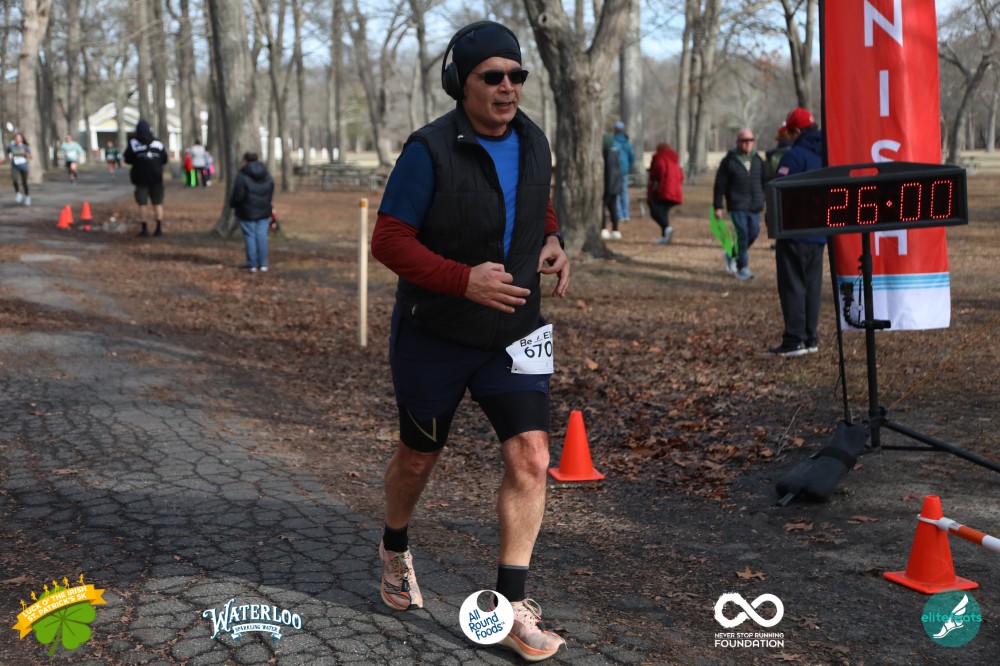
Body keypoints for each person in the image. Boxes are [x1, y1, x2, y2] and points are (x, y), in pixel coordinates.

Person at [370, 20, 569, 663]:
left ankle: (511, 608)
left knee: (532, 456)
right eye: (493, 77)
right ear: (461, 83)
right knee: (417, 459)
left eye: (517, 75)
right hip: (436, 332)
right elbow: (388, 241)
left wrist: (552, 239)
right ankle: (394, 546)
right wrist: (463, 280)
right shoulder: (427, 151)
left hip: (516, 329)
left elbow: (535, 199)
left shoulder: (534, 139)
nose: (508, 87)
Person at [769, 107, 826, 357]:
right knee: (812, 286)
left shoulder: (794, 157)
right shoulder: (826, 154)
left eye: (791, 133)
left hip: (794, 231)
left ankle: (794, 340)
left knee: (792, 286)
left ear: (797, 132)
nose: (790, 137)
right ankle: (811, 337)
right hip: (819, 232)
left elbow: (778, 191)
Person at [713, 129, 766, 280]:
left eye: (751, 140)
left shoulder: (758, 160)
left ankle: (732, 254)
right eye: (744, 140)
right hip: (737, 205)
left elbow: (765, 181)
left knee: (753, 233)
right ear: (738, 142)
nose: (748, 143)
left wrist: (766, 199)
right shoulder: (729, 161)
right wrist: (718, 206)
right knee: (742, 233)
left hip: (755, 205)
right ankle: (742, 268)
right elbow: (719, 185)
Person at [123, 119, 168, 237]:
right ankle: (159, 228)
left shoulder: (134, 143)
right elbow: (165, 159)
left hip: (140, 179)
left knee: (142, 203)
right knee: (157, 203)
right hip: (156, 178)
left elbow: (127, 159)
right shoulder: (158, 143)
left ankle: (144, 229)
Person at [230, 151, 274, 273]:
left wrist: (233, 204)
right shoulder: (266, 174)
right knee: (262, 236)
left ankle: (252, 264)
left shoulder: (242, 175)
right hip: (263, 209)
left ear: (245, 161)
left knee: (250, 236)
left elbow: (238, 194)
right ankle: (263, 263)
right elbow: (271, 188)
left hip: (247, 210)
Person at [647, 143, 683, 244]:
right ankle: (665, 236)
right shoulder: (674, 160)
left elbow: (658, 172)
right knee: (663, 212)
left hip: (665, 190)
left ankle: (667, 229)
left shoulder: (660, 158)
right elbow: (681, 176)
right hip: (675, 191)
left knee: (656, 211)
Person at [611, 120, 635, 221]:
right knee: (624, 192)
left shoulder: (612, 141)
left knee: (616, 193)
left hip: (614, 171)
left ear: (615, 130)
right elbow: (632, 157)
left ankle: (619, 215)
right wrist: (628, 166)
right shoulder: (627, 142)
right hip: (624, 170)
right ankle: (626, 214)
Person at [600, 134, 623, 239]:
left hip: (608, 186)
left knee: (603, 207)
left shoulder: (607, 155)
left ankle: (603, 228)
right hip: (615, 185)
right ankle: (615, 229)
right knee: (613, 207)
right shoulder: (616, 153)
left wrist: (607, 188)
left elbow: (609, 173)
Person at [6, 133, 32, 206]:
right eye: (17, 138)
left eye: (19, 138)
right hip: (15, 166)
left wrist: (25, 153)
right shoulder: (11, 146)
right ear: (15, 139)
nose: (18, 139)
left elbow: (30, 156)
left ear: (22, 139)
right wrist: (9, 157)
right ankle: (18, 193)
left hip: (23, 166)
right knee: (14, 180)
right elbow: (7, 153)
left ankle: (27, 197)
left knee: (24, 182)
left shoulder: (25, 146)